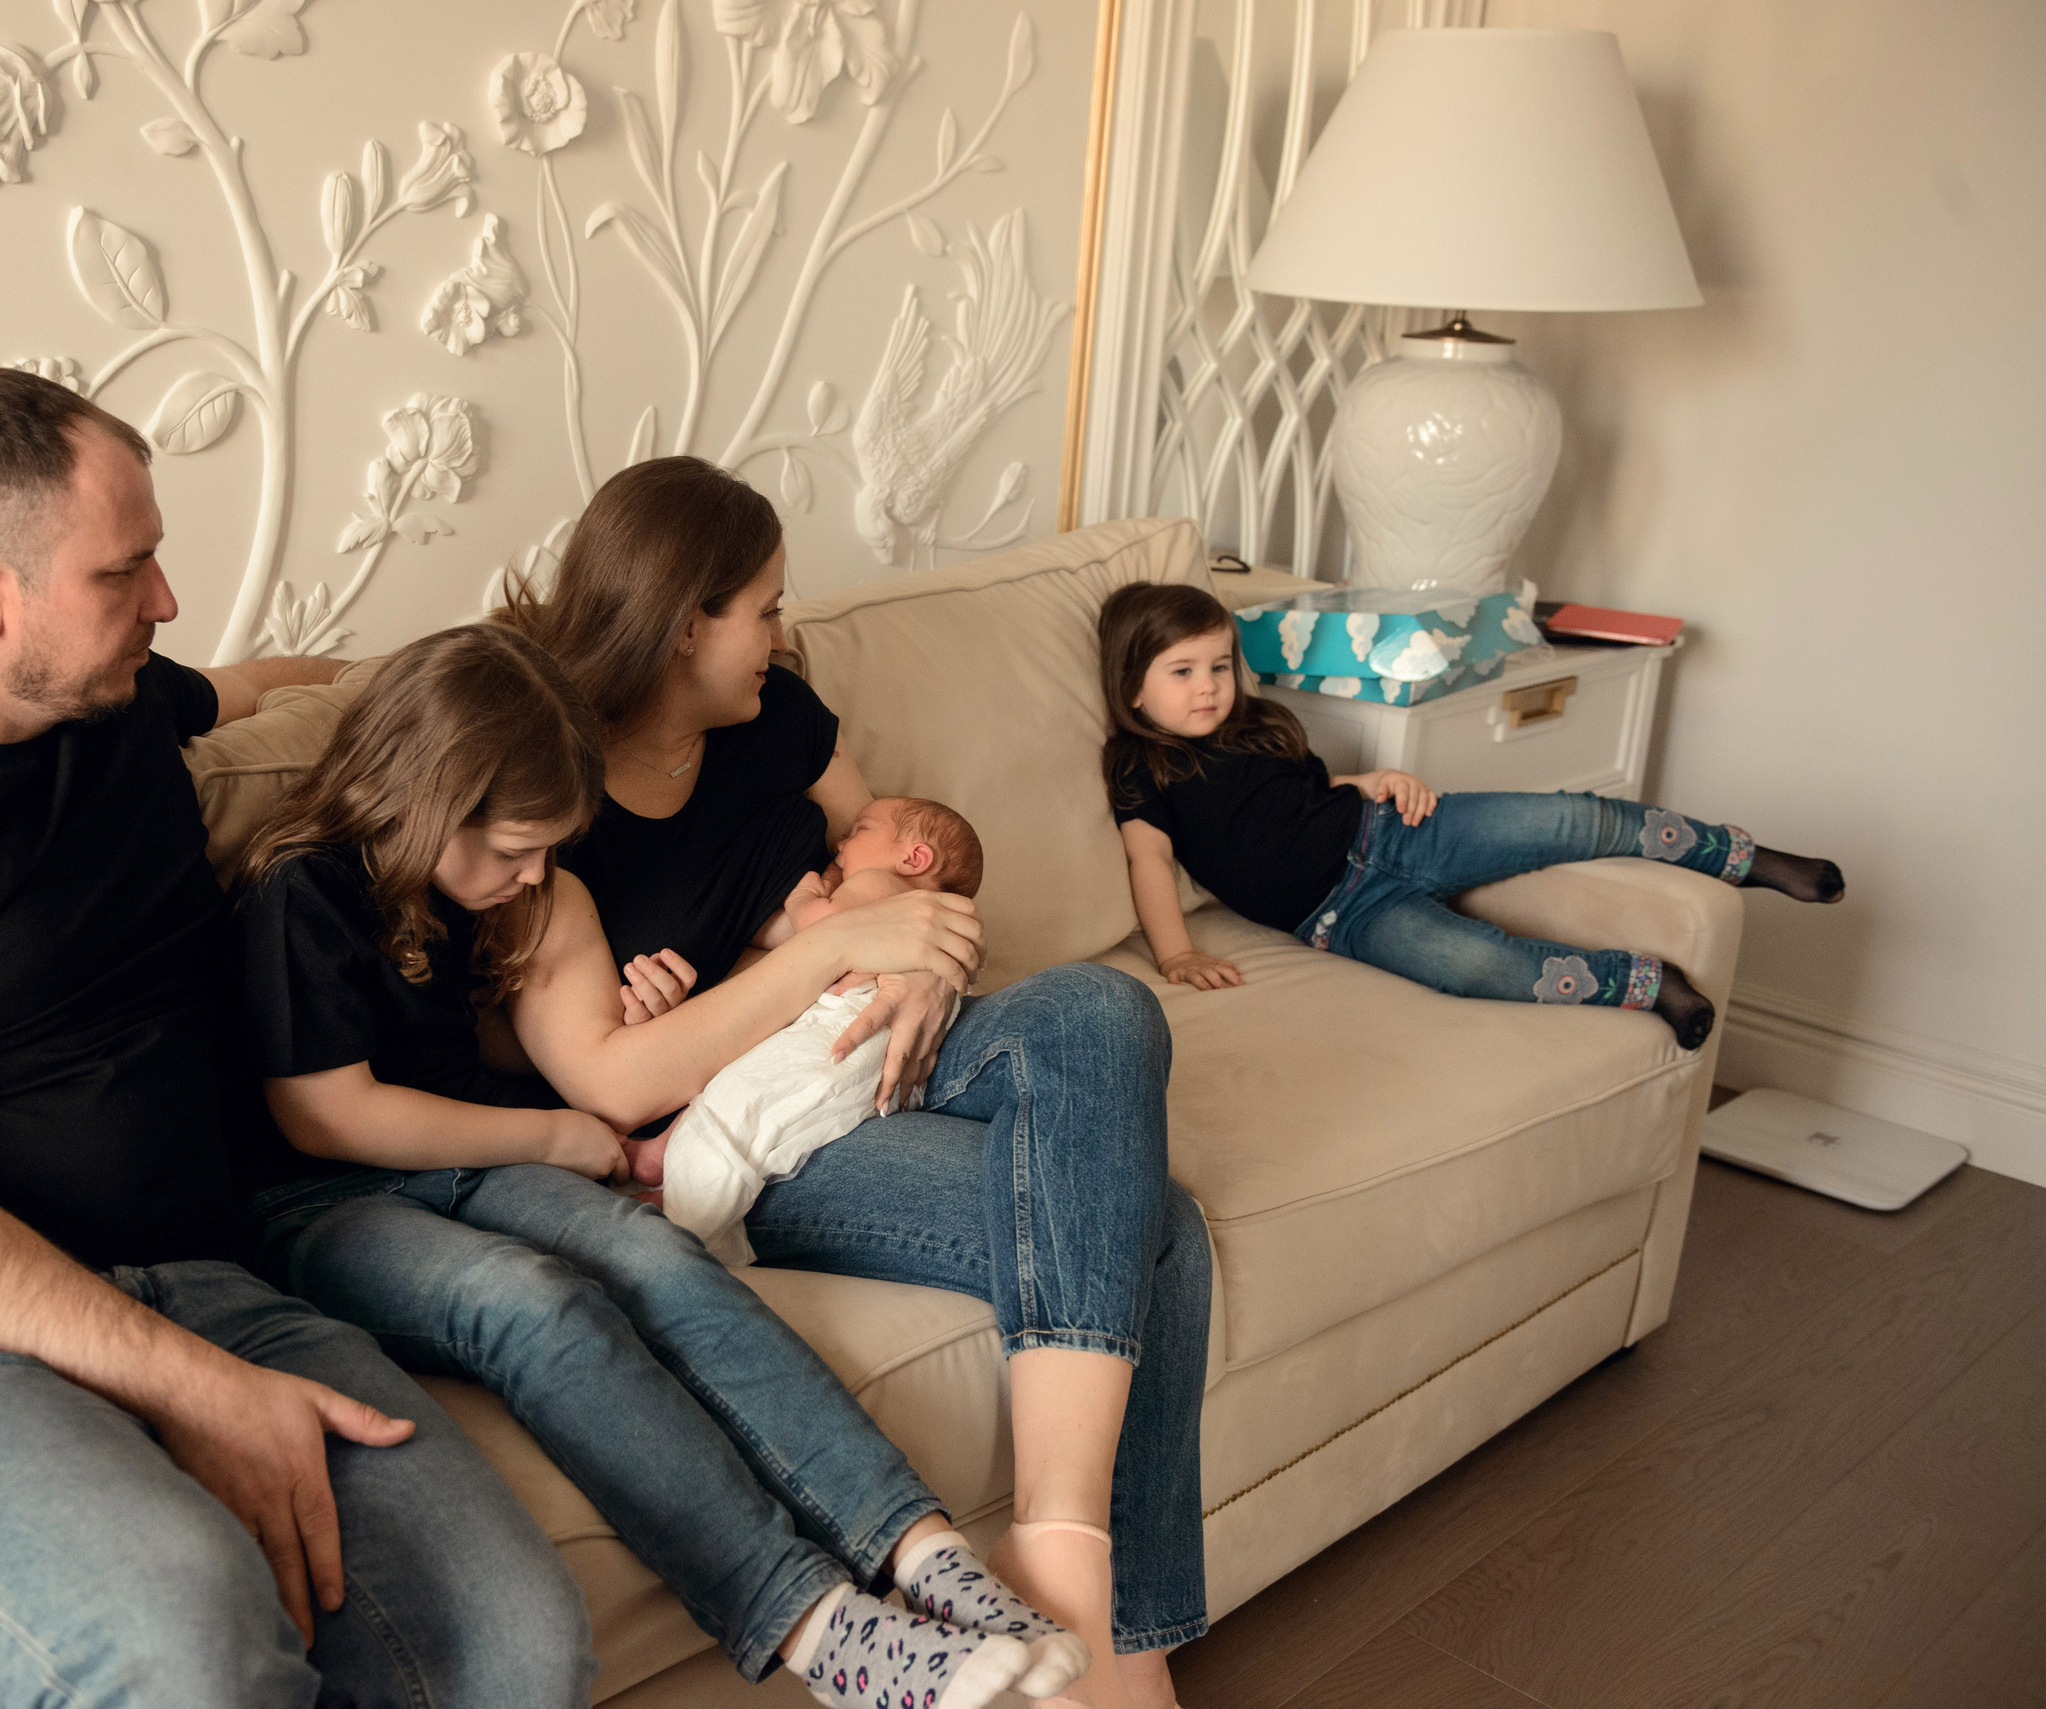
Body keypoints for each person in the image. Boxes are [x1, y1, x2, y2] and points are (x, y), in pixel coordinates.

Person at [0, 369, 593, 1709]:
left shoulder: (114, 701)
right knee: (185, 1637)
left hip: (197, 1285)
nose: (164, 598)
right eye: (126, 569)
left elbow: (261, 686)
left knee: (518, 1646)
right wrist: (197, 1389)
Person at [235, 625, 1086, 1709]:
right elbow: (327, 1113)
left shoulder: (487, 890)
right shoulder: (302, 889)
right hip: (326, 1201)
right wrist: (549, 1136)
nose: (535, 873)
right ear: (429, 799)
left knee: (655, 1255)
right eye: (517, 849)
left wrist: (638, 1017)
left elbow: (527, 1048)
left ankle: (925, 1555)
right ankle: (820, 1627)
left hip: (474, 1161)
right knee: (531, 1302)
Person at [496, 457, 1211, 1709]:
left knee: (1101, 1005)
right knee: (1159, 1225)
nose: (783, 633)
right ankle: (1124, 1657)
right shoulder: (548, 786)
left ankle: (1058, 1552)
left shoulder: (772, 716)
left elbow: (908, 852)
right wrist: (832, 952)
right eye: (763, 608)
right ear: (682, 623)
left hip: (879, 1039)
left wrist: (929, 958)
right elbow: (607, 1079)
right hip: (763, 1127)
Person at [1097, 581, 1845, 1049]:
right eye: (1183, 672)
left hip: (1395, 830)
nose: (1209, 686)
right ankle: (1647, 983)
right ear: (1133, 688)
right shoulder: (1142, 764)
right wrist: (1176, 953)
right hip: (1341, 914)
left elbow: (1310, 790)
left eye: (1219, 666)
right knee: (1477, 965)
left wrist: (1375, 779)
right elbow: (1148, 858)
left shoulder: (1257, 724)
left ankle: (1738, 857)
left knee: (1569, 821)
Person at [631, 795, 985, 1265]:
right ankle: (669, 1162)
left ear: (914, 858)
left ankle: (682, 1212)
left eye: (860, 831)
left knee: (750, 1099)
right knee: (769, 1107)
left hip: (844, 1022)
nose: (840, 843)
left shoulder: (881, 884)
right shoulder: (929, 911)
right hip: (887, 1046)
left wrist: (802, 895)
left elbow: (823, 927)